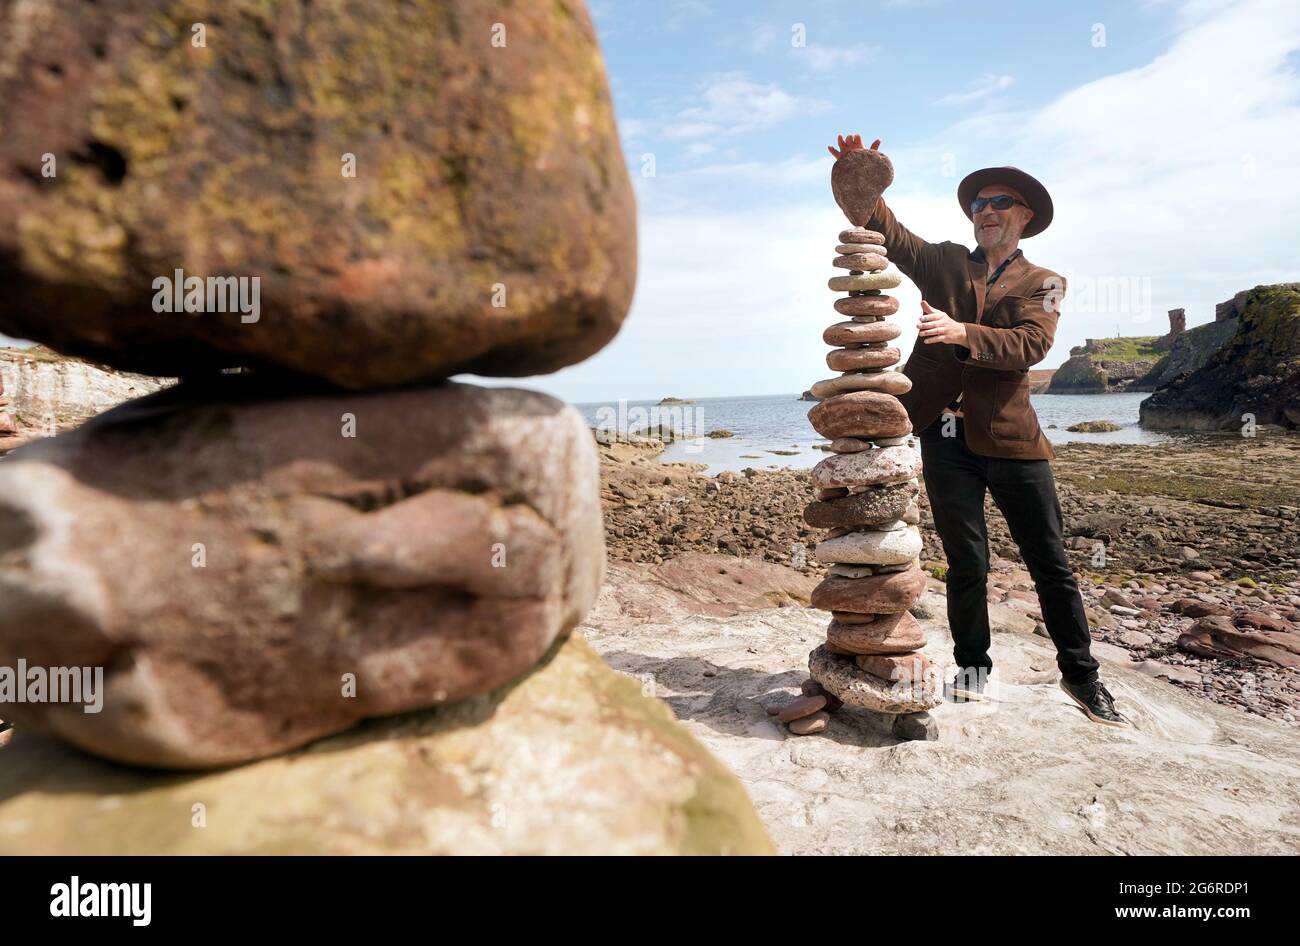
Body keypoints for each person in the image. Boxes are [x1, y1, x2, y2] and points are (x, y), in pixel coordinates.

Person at [826, 133, 1127, 727]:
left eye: (999, 203)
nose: (985, 212)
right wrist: (861, 177)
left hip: (1014, 439)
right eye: (978, 204)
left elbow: (1031, 345)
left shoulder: (1045, 281)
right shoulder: (943, 261)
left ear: (1025, 216)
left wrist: (961, 333)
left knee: (1051, 563)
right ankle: (973, 671)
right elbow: (885, 228)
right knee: (967, 564)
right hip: (943, 437)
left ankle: (1081, 677)